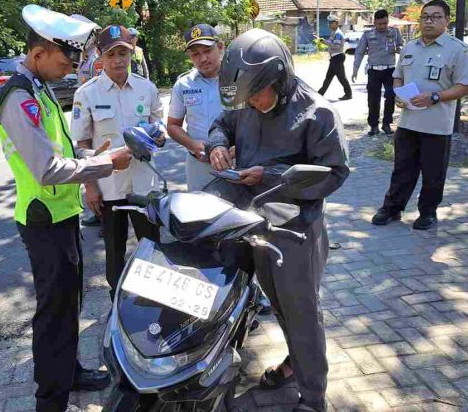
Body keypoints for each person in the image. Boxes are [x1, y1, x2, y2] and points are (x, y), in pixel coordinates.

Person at [0, 5, 133, 412]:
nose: (72, 68)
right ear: (38, 54)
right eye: (65, 60)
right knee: (53, 313)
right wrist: (104, 165)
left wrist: (91, 153)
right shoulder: (19, 97)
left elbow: (62, 148)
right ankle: (50, 401)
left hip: (62, 215)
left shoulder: (38, 88)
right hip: (43, 220)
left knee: (68, 304)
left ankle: (68, 372)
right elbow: (46, 167)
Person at [206, 29, 349, 412]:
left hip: (293, 232)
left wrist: (267, 176)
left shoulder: (317, 113)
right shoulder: (247, 100)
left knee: (301, 314)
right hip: (249, 222)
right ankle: (291, 367)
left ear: (279, 79)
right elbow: (222, 123)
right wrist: (217, 144)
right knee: (273, 306)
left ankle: (313, 397)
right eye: (246, 99)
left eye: (257, 96)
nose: (251, 104)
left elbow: (334, 173)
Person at [71, 24, 164, 300]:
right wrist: (90, 187)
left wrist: (155, 137)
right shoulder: (86, 94)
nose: (118, 60)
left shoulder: (146, 89)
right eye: (111, 54)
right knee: (114, 250)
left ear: (131, 53)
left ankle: (153, 300)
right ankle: (118, 301)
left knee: (152, 245)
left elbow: (159, 127)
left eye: (123, 52)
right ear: (100, 55)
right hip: (109, 187)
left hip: (143, 185)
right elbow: (82, 145)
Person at [372, 0, 468, 230]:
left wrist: (436, 97)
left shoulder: (457, 49)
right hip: (408, 123)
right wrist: (399, 94)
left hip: (437, 125)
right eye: (425, 16)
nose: (429, 21)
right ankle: (392, 209)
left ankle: (427, 213)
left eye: (436, 16)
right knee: (402, 169)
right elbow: (398, 76)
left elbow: (467, 85)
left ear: (447, 20)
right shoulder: (409, 47)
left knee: (433, 173)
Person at [167, 24, 225, 191]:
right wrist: (192, 145)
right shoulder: (183, 84)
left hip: (235, 161)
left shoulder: (236, 78)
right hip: (199, 166)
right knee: (200, 213)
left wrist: (236, 149)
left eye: (207, 51)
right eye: (196, 54)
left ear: (220, 47)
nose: (203, 58)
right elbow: (172, 125)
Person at [352, 10, 404, 136]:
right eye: (379, 24)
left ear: (388, 21)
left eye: (385, 23)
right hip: (373, 70)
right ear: (374, 22)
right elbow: (359, 52)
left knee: (391, 95)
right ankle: (374, 125)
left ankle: (386, 124)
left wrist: (399, 49)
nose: (382, 26)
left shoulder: (395, 32)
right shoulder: (368, 35)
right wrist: (355, 69)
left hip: (390, 70)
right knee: (373, 99)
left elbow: (402, 48)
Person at [318, 14, 352, 100]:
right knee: (329, 77)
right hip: (334, 58)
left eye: (331, 23)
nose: (329, 25)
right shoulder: (333, 33)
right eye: (329, 23)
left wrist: (325, 42)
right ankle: (320, 94)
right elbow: (331, 43)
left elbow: (336, 46)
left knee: (341, 77)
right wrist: (323, 41)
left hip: (338, 57)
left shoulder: (338, 34)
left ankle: (348, 94)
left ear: (336, 23)